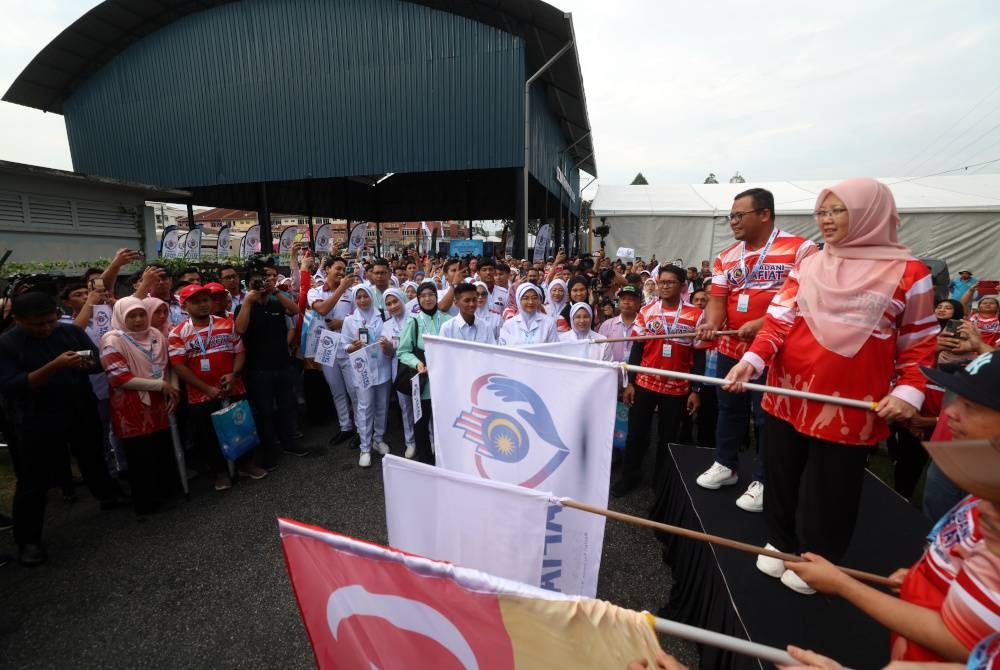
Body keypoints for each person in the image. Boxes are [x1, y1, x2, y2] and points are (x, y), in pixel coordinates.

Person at [726, 177, 938, 594]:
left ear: (870, 214)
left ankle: (818, 559)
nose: (826, 220)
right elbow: (779, 322)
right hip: (788, 392)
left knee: (832, 487)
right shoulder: (809, 264)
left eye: (838, 210)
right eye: (822, 211)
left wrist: (907, 392)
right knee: (782, 475)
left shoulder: (910, 274)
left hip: (848, 403)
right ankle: (782, 541)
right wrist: (753, 361)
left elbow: (919, 345)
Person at [782, 351, 1000, 663]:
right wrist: (923, 577)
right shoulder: (985, 489)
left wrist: (843, 585)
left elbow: (962, 643)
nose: (950, 412)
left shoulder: (995, 514)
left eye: (971, 406)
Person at [695, 187, 818, 514]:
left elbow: (807, 297)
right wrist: (711, 323)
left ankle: (764, 479)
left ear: (764, 214)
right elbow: (718, 301)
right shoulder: (726, 257)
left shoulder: (801, 249)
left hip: (776, 352)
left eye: (739, 215)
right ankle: (726, 465)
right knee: (728, 408)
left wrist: (764, 323)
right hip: (730, 348)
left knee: (768, 418)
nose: (733, 221)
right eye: (730, 216)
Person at [0, 292, 122, 566]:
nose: (45, 328)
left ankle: (108, 495)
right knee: (34, 480)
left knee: (92, 456)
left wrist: (88, 363)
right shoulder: (7, 344)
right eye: (37, 324)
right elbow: (13, 385)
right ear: (18, 320)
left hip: (79, 407)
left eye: (50, 321)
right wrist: (55, 365)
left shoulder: (69, 332)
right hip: (36, 418)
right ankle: (28, 540)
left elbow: (97, 362)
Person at [612, 266, 704, 498]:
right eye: (661, 282)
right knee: (636, 433)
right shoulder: (647, 311)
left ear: (683, 286)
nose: (664, 286)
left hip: (677, 388)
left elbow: (700, 354)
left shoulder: (696, 315)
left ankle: (661, 481)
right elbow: (638, 348)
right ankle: (630, 476)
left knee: (668, 437)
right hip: (645, 384)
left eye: (670, 282)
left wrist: (696, 390)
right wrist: (631, 382)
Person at [168, 285, 267, 491]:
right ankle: (220, 472)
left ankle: (245, 464)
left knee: (241, 427)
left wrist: (234, 374)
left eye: (205, 300)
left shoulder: (227, 324)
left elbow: (239, 351)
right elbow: (178, 366)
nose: (203, 305)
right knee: (208, 435)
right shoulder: (177, 334)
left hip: (233, 387)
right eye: (196, 302)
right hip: (200, 394)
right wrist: (205, 388)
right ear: (184, 306)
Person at [100, 297, 180, 516]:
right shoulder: (112, 340)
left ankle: (167, 492)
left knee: (162, 449)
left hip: (160, 401)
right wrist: (160, 385)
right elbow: (119, 378)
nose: (137, 320)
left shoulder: (155, 335)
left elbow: (170, 366)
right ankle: (146, 504)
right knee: (140, 456)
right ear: (120, 317)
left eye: (141, 314)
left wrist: (173, 390)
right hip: (132, 406)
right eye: (131, 316)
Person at [234, 267, 306, 470]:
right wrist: (249, 300)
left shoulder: (276, 302)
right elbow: (240, 329)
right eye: (256, 282)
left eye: (263, 281)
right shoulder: (244, 307)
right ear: (248, 286)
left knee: (287, 406)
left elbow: (294, 310)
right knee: (265, 411)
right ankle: (270, 449)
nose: (260, 286)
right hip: (258, 370)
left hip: (282, 364)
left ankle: (290, 442)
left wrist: (274, 291)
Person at [307, 256, 358, 445]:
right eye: (337, 268)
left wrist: (343, 322)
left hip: (348, 345)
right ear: (326, 269)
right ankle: (345, 427)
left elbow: (359, 319)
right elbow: (322, 310)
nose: (341, 272)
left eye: (344, 269)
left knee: (354, 390)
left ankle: (361, 430)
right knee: (336, 389)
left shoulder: (352, 293)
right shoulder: (315, 291)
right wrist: (341, 289)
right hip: (326, 345)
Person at [397, 282, 447, 464]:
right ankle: (426, 460)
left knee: (445, 421)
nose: (428, 298)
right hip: (423, 380)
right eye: (423, 295)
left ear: (436, 296)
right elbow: (402, 351)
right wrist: (417, 363)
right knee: (421, 421)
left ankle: (446, 458)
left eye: (431, 294)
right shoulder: (414, 321)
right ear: (418, 299)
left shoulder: (448, 320)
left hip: (444, 380)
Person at [342, 285, 392, 467]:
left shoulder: (383, 315)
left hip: (382, 367)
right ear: (355, 300)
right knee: (364, 407)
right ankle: (365, 447)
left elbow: (392, 336)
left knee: (382, 406)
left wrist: (387, 344)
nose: (362, 300)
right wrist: (352, 347)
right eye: (359, 297)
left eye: (365, 296)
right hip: (362, 370)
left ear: (371, 297)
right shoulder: (349, 320)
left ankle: (378, 439)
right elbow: (344, 345)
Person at [379, 287, 417, 459]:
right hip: (399, 370)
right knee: (405, 407)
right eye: (388, 304)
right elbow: (388, 352)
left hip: (417, 367)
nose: (392, 306)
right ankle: (410, 442)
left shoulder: (416, 319)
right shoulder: (386, 325)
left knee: (422, 405)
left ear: (402, 300)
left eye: (395, 301)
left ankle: (430, 439)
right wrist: (387, 347)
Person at [598, 284, 642, 363]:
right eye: (623, 299)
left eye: (631, 299)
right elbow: (599, 351)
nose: (626, 302)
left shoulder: (643, 325)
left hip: (636, 372)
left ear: (639, 303)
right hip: (612, 372)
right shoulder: (607, 325)